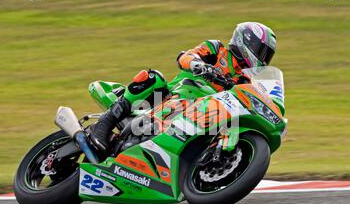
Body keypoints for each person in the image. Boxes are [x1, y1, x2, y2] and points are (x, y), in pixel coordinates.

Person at [90, 22, 277, 153]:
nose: (263, 59)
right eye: (261, 52)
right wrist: (198, 64)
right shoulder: (216, 49)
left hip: (202, 113)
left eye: (267, 56)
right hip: (170, 96)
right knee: (153, 77)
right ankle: (103, 126)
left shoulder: (244, 81)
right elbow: (185, 56)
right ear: (246, 41)